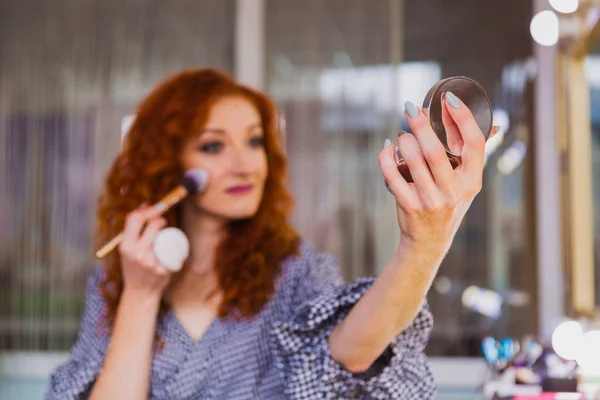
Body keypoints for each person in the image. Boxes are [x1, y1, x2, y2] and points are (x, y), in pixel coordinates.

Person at [46, 68, 492, 399]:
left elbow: (351, 357)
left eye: (255, 141)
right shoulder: (114, 282)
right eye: (213, 145)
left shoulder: (298, 273)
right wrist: (141, 295)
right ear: (169, 162)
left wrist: (423, 244)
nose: (244, 163)